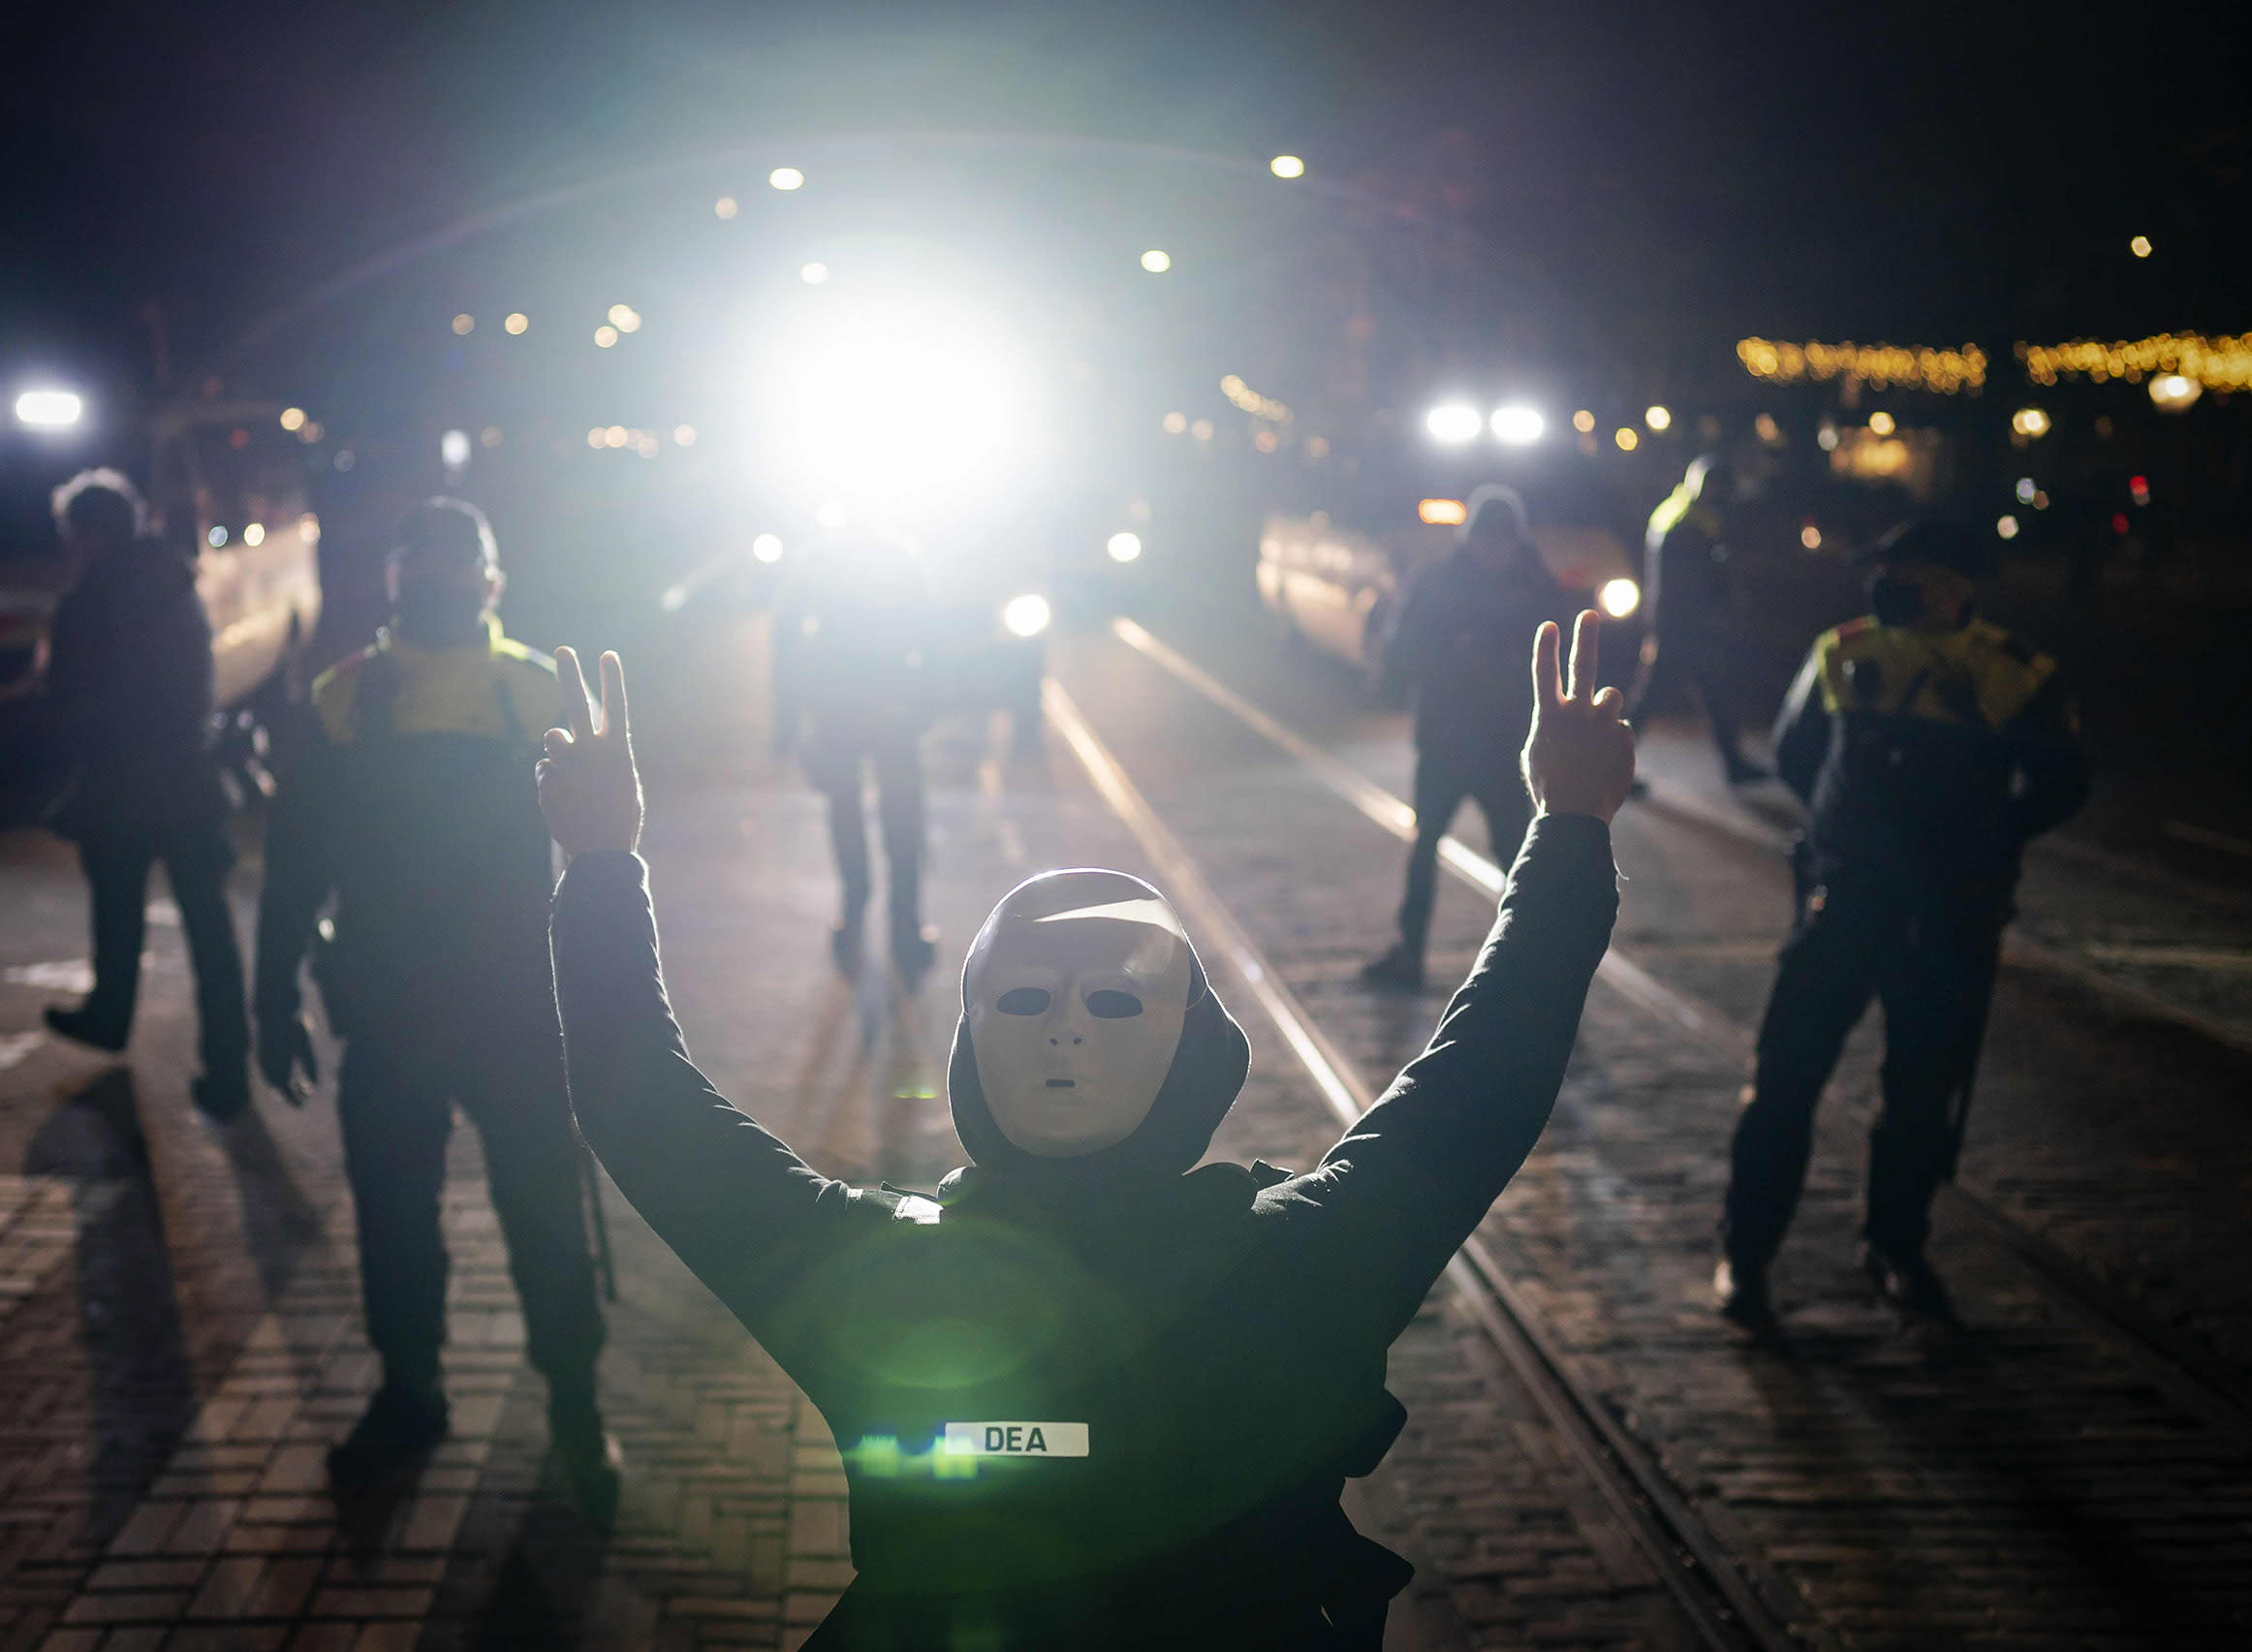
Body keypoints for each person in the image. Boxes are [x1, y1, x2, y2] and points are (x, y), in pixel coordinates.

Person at [539, 613, 1635, 1649]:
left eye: (1111, 1002)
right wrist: (1568, 828)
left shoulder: (868, 1276)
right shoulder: (1307, 1257)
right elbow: (1485, 1076)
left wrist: (599, 864)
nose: (1065, 1033)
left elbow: (641, 1103)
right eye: (1025, 1002)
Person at [251, 498, 617, 1518]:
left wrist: (608, 990)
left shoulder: (543, 689)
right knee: (395, 1217)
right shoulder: (342, 697)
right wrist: (270, 995)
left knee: (544, 1214)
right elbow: (292, 869)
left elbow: (603, 857)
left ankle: (575, 1402)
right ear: (395, 581)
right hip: (389, 1009)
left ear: (491, 585)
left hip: (516, 1010)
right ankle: (412, 1392)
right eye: (423, 569)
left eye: (457, 570)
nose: (440, 586)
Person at [1715, 520, 2088, 1324]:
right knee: (1783, 1081)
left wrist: (1986, 842)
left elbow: (2062, 779)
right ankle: (1747, 1254)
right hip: (1848, 900)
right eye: (1884, 573)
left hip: (1946, 917)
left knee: (1919, 1097)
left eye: (1906, 575)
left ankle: (1895, 1244)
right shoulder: (1845, 651)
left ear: (1956, 588)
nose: (1886, 588)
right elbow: (1797, 753)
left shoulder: (2009, 672)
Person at [42, 468, 251, 1118]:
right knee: (209, 929)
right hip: (186, 779)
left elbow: (65, 702)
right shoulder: (176, 585)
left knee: (117, 910)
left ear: (89, 535)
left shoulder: (85, 604)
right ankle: (228, 1063)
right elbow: (199, 682)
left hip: (119, 787)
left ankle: (109, 1015)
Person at [1362, 485, 1571, 989]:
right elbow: (1402, 652)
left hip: (1498, 746)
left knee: (1517, 859)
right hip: (1454, 741)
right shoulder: (1509, 584)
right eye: (1487, 541)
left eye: (1500, 542)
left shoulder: (1514, 586)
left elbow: (1556, 661)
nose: (1493, 551)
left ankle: (1527, 958)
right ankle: (1413, 951)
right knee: (1434, 845)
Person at [771, 533, 939, 982]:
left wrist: (787, 718)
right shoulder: (901, 558)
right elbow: (933, 633)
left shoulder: (821, 558)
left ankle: (852, 914)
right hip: (892, 702)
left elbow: (785, 636)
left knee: (845, 809)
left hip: (837, 703)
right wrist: (928, 700)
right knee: (901, 815)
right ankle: (905, 929)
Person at [1631, 455, 1767, 786]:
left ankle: (1734, 764)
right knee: (1676, 695)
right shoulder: (1691, 520)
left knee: (1705, 692)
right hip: (1686, 626)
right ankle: (1606, 769)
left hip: (1674, 622)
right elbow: (1700, 579)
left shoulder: (1676, 510)